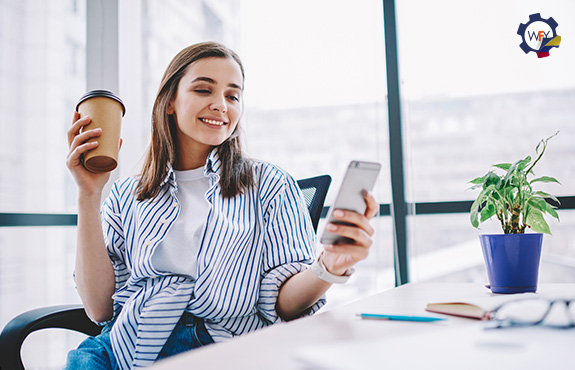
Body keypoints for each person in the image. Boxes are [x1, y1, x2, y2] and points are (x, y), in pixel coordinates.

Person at [65, 41, 377, 369]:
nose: (220, 105)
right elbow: (99, 309)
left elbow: (284, 304)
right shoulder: (127, 194)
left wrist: (330, 265)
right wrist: (89, 195)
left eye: (232, 95)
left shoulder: (269, 184)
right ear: (170, 102)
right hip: (124, 346)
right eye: (203, 90)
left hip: (222, 348)